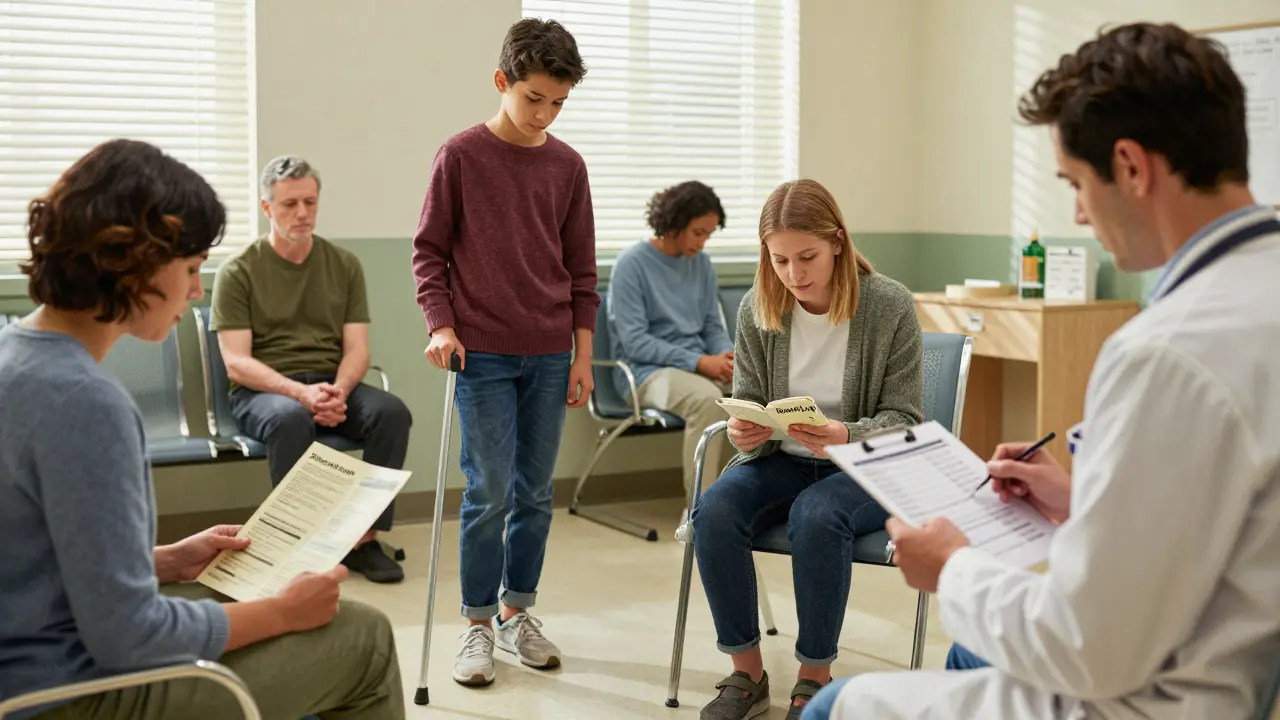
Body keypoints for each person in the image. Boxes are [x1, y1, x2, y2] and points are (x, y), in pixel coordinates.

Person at [804, 22, 1280, 720]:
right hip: (1226, 664)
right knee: (970, 658)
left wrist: (951, 567)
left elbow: (1087, 646)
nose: (1081, 214)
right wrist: (1085, 496)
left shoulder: (1162, 351)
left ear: (1131, 166)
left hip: (1146, 696)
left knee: (836, 708)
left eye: (1076, 184)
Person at [0, 139, 404, 719]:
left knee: (240, 597)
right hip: (64, 695)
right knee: (362, 636)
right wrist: (283, 613)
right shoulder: (86, 402)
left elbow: (41, 561)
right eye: (189, 269)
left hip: (25, 661)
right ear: (128, 260)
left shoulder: (17, 355)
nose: (195, 291)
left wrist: (164, 560)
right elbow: (129, 635)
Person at [690, 178, 924, 720]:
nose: (794, 274)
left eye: (807, 256)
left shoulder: (889, 306)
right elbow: (747, 399)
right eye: (779, 260)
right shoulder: (758, 307)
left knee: (816, 515)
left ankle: (814, 678)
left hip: (862, 467)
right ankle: (747, 674)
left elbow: (906, 420)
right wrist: (743, 429)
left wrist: (844, 434)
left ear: (838, 241)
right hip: (782, 460)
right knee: (715, 510)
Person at [411, 18, 599, 688]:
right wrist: (440, 325)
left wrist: (582, 357)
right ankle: (477, 625)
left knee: (535, 493)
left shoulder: (568, 165)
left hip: (550, 354)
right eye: (533, 100)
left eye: (557, 103)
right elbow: (429, 253)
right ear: (502, 82)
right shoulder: (459, 156)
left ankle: (519, 611)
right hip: (481, 354)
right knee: (487, 491)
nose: (544, 114)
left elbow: (582, 272)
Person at [211, 155, 412, 584]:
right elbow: (237, 362)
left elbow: (358, 348)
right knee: (290, 418)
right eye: (289, 205)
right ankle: (296, 546)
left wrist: (337, 391)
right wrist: (300, 395)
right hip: (262, 392)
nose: (302, 213)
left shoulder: (344, 265)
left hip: (328, 382)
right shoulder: (238, 271)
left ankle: (363, 541)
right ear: (267, 209)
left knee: (391, 414)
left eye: (310, 202)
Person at [608, 180, 734, 507]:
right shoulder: (631, 265)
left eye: (709, 233)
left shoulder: (701, 264)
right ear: (675, 224)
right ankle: (700, 515)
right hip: (645, 374)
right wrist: (699, 362)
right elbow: (635, 343)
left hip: (696, 365)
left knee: (766, 385)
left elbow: (710, 324)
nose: (703, 243)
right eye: (698, 232)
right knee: (708, 399)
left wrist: (724, 354)